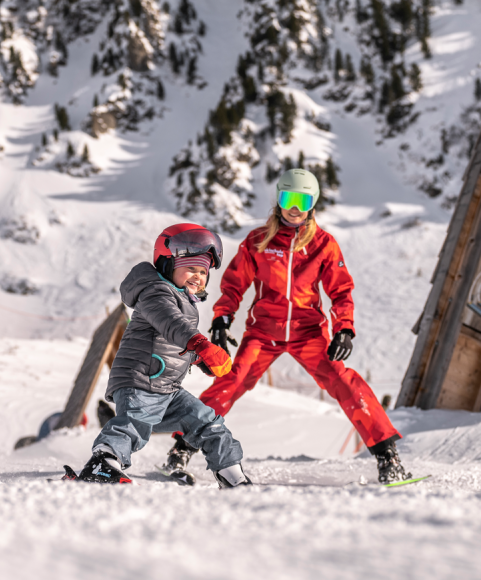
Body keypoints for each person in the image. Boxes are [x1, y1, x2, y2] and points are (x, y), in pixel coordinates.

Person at [161, 169, 412, 484]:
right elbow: (234, 285)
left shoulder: (323, 244)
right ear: (278, 200)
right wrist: (222, 319)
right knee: (231, 381)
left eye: (302, 199)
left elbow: (341, 291)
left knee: (345, 382)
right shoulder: (258, 241)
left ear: (313, 203)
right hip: (264, 333)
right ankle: (181, 449)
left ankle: (388, 457)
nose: (295, 207)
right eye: (288, 198)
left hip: (309, 333)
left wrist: (344, 328)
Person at [63, 223, 252, 488]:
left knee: (207, 422)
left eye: (203, 271)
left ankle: (233, 476)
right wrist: (200, 344)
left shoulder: (183, 300)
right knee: (134, 424)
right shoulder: (155, 293)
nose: (197, 276)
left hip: (166, 388)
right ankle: (103, 462)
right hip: (140, 380)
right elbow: (170, 323)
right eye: (190, 268)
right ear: (167, 264)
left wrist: (199, 360)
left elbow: (170, 342)